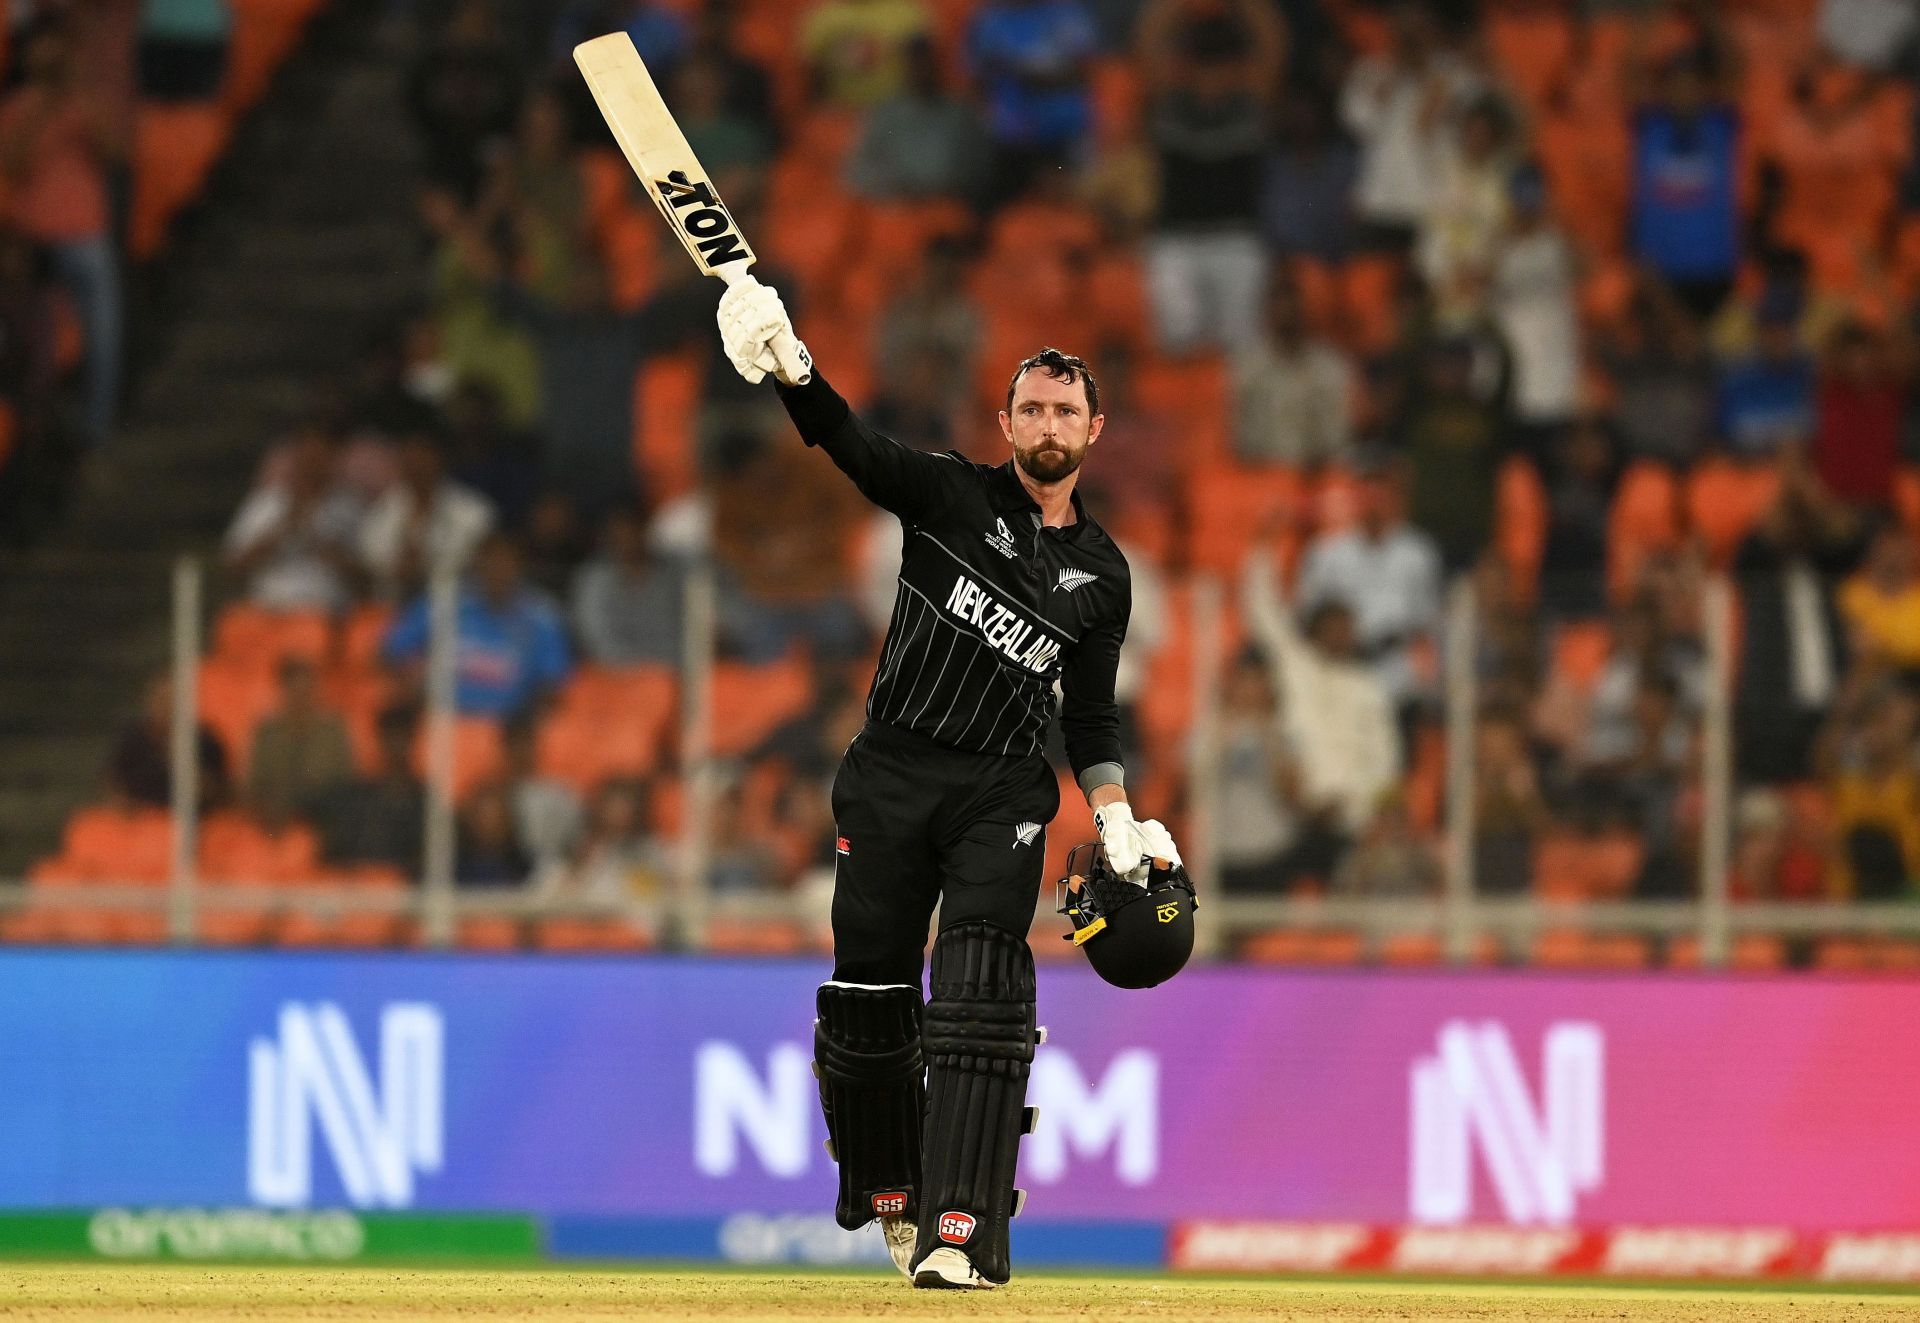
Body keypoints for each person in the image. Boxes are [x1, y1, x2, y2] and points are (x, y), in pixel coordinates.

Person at [714, 278, 1175, 1289]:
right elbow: (853, 447)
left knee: (980, 994)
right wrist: (793, 370)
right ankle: (890, 1189)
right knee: (869, 993)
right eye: (1030, 406)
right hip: (890, 770)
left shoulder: (1105, 574)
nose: (1046, 422)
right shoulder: (950, 494)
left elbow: (1089, 716)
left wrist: (1118, 812)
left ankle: (961, 1228)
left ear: (1093, 430)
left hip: (1001, 793)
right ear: (1005, 422)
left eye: (1065, 409)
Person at [0, 23, 124, 445]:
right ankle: (35, 425)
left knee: (104, 330)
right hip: (32, 241)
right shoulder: (19, 107)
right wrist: (42, 111)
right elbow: (11, 165)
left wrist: (78, 100)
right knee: (34, 337)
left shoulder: (86, 102)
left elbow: (113, 153)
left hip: (85, 233)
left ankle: (96, 428)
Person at [383, 532, 573, 721]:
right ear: (477, 564)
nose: (499, 571)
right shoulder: (444, 603)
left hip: (508, 731)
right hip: (440, 723)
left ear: (520, 567)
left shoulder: (541, 617)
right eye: (492, 562)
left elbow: (553, 680)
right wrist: (410, 674)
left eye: (507, 563)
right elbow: (392, 651)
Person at [223, 424, 365, 612]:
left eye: (321, 456)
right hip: (270, 613)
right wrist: (281, 531)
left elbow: (369, 575)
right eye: (308, 455)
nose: (313, 464)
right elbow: (234, 565)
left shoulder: (349, 507)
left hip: (326, 614)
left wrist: (330, 549)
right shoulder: (267, 502)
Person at [1230, 268, 1354, 467]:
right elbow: (1240, 439)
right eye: (1278, 304)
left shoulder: (1329, 367)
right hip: (1260, 478)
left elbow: (1337, 439)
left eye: (1291, 305)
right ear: (1266, 312)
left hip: (1316, 478)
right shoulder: (1246, 367)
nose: (1285, 313)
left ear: (1304, 310)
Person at [357, 428, 497, 598]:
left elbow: (478, 564)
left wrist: (425, 566)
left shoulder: (472, 510)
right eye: (410, 457)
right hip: (393, 606)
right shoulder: (382, 510)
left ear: (439, 458)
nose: (417, 464)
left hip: (457, 605)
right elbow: (369, 561)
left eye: (423, 456)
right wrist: (397, 569)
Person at [247, 656, 356, 821]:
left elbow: (346, 778)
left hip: (325, 816)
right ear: (284, 690)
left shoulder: (334, 730)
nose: (301, 697)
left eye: (307, 689)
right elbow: (254, 782)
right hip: (277, 817)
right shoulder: (267, 732)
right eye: (295, 689)